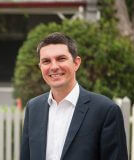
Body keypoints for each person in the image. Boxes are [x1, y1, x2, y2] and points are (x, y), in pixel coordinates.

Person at [20, 32, 128, 160]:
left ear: (76, 63)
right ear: (40, 67)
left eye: (61, 59)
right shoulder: (33, 108)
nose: (54, 67)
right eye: (46, 61)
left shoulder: (105, 111)